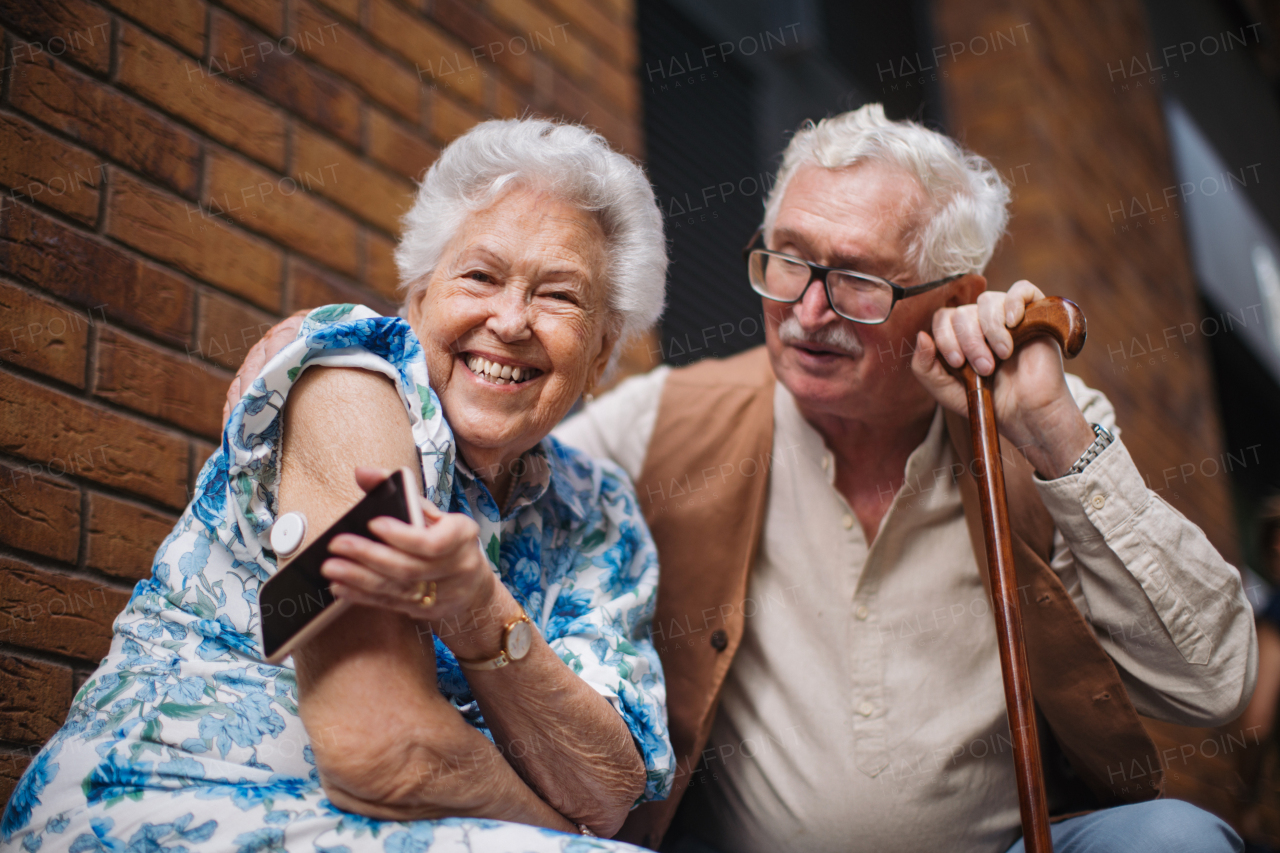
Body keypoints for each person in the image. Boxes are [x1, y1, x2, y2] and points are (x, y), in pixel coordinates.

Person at [219, 104, 1256, 852]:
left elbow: (1214, 689)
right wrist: (317, 370)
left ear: (953, 296)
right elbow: (486, 413)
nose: (804, 309)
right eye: (786, 259)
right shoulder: (663, 421)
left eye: (853, 280)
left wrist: (1043, 425)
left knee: (1166, 838)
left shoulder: (1031, 430)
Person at [0, 119, 676, 852]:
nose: (510, 320)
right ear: (417, 298)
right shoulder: (348, 390)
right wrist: (559, 830)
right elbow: (385, 751)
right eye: (479, 276)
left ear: (604, 346)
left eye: (559, 296)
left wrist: (480, 611)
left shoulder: (599, 512)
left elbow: (606, 792)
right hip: (172, 804)